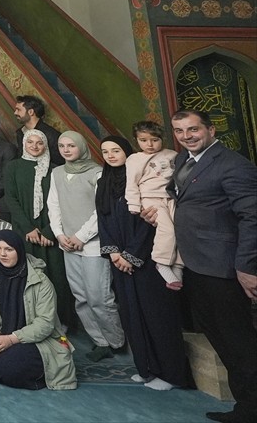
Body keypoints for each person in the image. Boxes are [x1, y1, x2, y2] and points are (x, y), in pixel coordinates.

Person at [161, 109, 257, 423]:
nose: (186, 136)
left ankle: (250, 410)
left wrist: (246, 267)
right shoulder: (181, 160)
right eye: (179, 131)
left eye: (192, 130)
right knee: (221, 338)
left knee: (238, 343)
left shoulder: (234, 166)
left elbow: (252, 217)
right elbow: (180, 192)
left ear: (211, 130)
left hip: (226, 270)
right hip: (197, 265)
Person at [96, 134, 191, 392]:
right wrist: (114, 253)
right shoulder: (104, 183)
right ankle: (146, 368)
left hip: (147, 259)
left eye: (116, 150)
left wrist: (131, 255)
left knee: (157, 315)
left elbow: (150, 223)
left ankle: (171, 374)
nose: (111, 156)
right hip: (120, 262)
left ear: (128, 152)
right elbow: (103, 220)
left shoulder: (142, 179)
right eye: (106, 152)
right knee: (131, 315)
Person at [0, 230, 76, 390]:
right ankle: (2, 367)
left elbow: (45, 325)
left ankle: (9, 368)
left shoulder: (41, 282)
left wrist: (11, 339)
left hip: (34, 340)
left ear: (19, 250)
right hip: (3, 333)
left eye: (9, 249)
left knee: (11, 366)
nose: (2, 254)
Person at [48, 130, 124, 361]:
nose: (66, 150)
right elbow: (54, 206)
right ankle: (99, 341)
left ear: (81, 146)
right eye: (62, 146)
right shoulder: (57, 172)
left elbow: (100, 210)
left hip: (93, 244)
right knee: (80, 296)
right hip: (68, 244)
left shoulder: (97, 172)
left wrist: (81, 236)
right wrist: (60, 235)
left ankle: (116, 341)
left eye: (71, 145)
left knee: (99, 297)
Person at [2, 127, 75, 332]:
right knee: (28, 277)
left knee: (56, 277)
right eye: (30, 142)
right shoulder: (13, 167)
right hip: (25, 232)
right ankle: (31, 322)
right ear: (24, 144)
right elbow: (11, 199)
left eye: (39, 143)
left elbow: (63, 203)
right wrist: (29, 229)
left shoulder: (56, 170)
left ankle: (60, 323)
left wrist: (49, 232)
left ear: (46, 146)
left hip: (50, 233)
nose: (34, 146)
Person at [125, 121, 183, 288]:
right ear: (137, 140)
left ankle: (178, 266)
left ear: (162, 139)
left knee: (180, 230)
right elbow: (132, 184)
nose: (149, 144)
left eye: (154, 140)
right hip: (151, 199)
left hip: (171, 198)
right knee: (167, 230)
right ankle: (162, 262)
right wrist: (134, 205)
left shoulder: (172, 154)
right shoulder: (135, 159)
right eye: (143, 140)